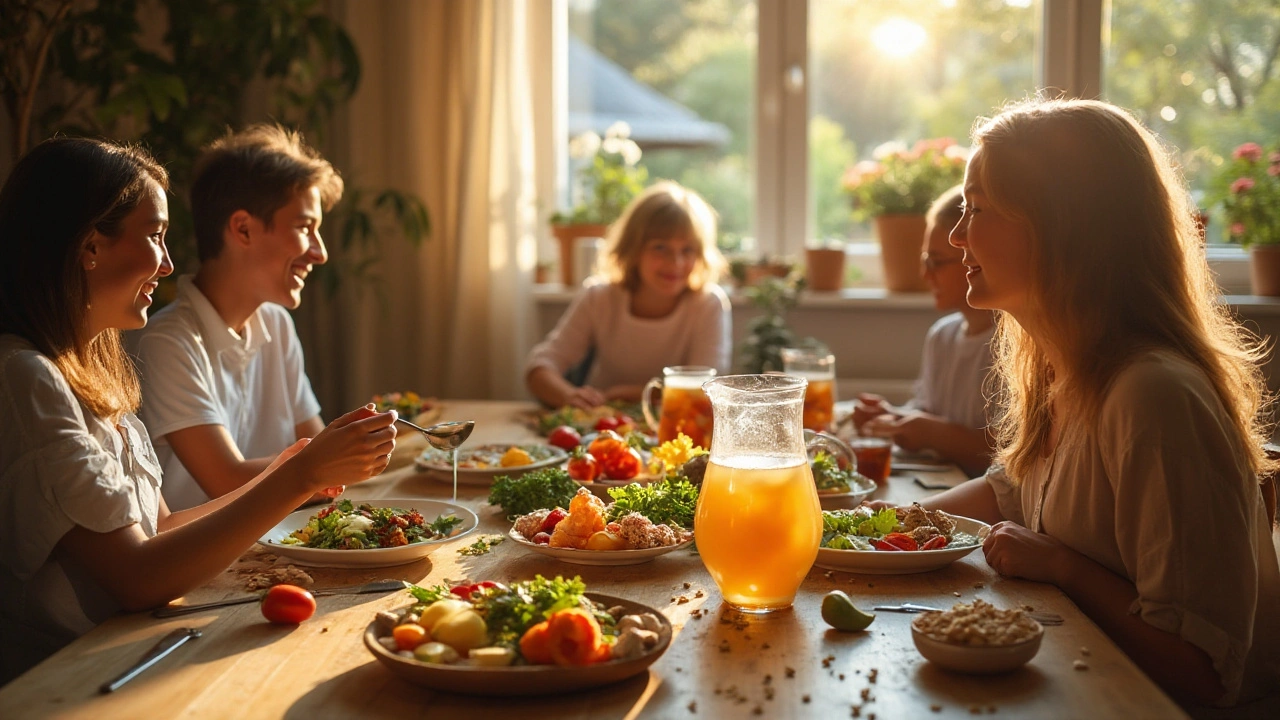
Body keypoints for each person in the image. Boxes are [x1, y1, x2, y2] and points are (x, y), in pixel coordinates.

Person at [908, 98, 1280, 707]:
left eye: (977, 210)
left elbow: (1203, 678)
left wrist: (1066, 569)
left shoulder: (1153, 398)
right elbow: (1008, 491)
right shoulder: (1068, 372)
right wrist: (860, 533)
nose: (956, 235)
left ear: (1061, 226)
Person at [0, 138, 396, 682]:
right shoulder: (26, 377)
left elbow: (160, 526)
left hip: (134, 644)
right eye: (155, 237)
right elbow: (137, 576)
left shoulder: (90, 368)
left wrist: (302, 470)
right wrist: (303, 473)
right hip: (69, 677)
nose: (166, 265)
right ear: (91, 246)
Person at [134, 125, 340, 510]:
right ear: (243, 228)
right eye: (304, 228)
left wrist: (344, 457)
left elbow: (323, 466)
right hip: (199, 564)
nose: (320, 253)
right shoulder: (167, 342)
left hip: (269, 547)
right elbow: (225, 482)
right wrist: (334, 460)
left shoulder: (276, 324)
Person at [525, 181, 731, 409]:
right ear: (633, 249)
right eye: (660, 248)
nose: (676, 262)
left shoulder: (708, 303)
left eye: (688, 250)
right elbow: (540, 367)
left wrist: (638, 393)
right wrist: (568, 396)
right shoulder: (599, 297)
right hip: (598, 429)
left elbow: (707, 389)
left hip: (676, 431)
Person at [851, 185, 996, 476]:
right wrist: (893, 417)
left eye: (936, 262)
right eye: (923, 260)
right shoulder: (943, 335)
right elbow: (927, 413)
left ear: (975, 259)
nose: (924, 274)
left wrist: (929, 433)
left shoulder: (1010, 347)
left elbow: (1008, 458)